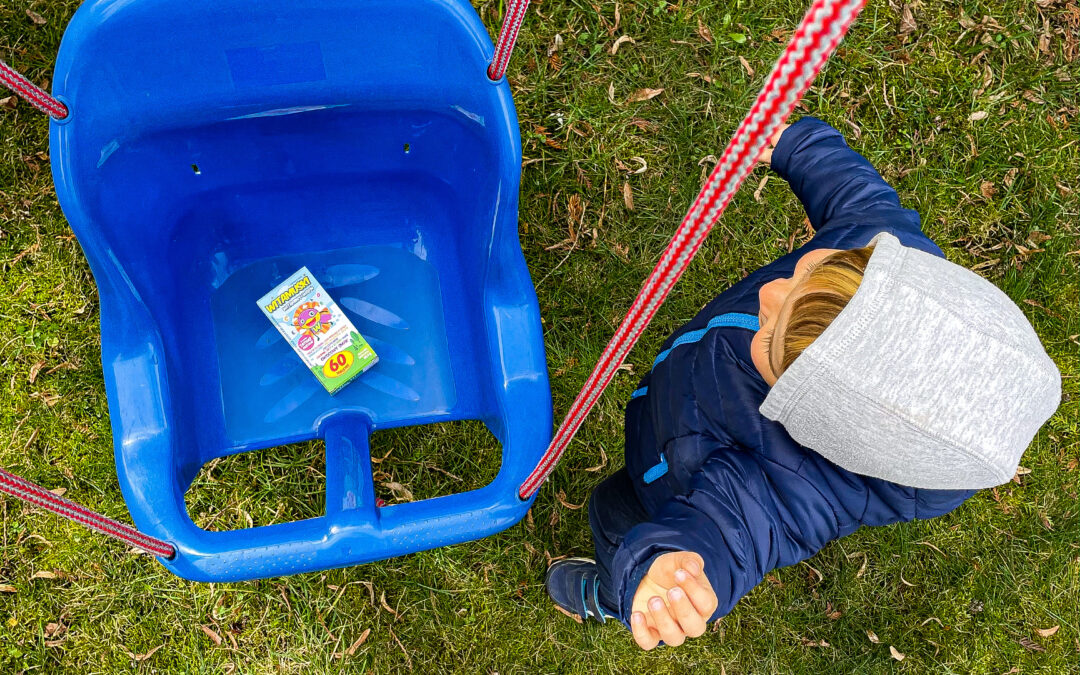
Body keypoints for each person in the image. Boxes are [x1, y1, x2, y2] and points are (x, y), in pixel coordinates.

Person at [542, 117, 1061, 650]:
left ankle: (608, 593)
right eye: (808, 270)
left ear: (812, 421)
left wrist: (672, 574)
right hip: (679, 400)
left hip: (667, 476)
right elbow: (858, 201)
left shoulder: (795, 480)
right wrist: (796, 144)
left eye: (771, 339)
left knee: (613, 511)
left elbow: (733, 530)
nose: (769, 292)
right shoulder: (878, 263)